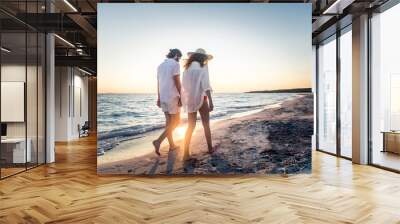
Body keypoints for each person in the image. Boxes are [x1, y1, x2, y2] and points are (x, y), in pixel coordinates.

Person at [182, 48, 215, 160]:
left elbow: (184, 86)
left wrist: (185, 99)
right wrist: (210, 101)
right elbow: (206, 85)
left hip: (190, 100)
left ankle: (185, 153)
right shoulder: (203, 67)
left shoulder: (186, 69)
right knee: (206, 125)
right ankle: (210, 149)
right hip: (201, 98)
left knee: (190, 126)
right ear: (203, 58)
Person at [153, 49, 182, 156]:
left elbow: (159, 83)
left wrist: (159, 98)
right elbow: (177, 81)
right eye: (179, 57)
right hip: (172, 96)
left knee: (169, 123)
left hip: (163, 97)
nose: (179, 60)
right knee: (176, 122)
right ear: (176, 55)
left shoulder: (160, 66)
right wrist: (182, 96)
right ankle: (158, 141)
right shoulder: (175, 64)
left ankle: (172, 145)